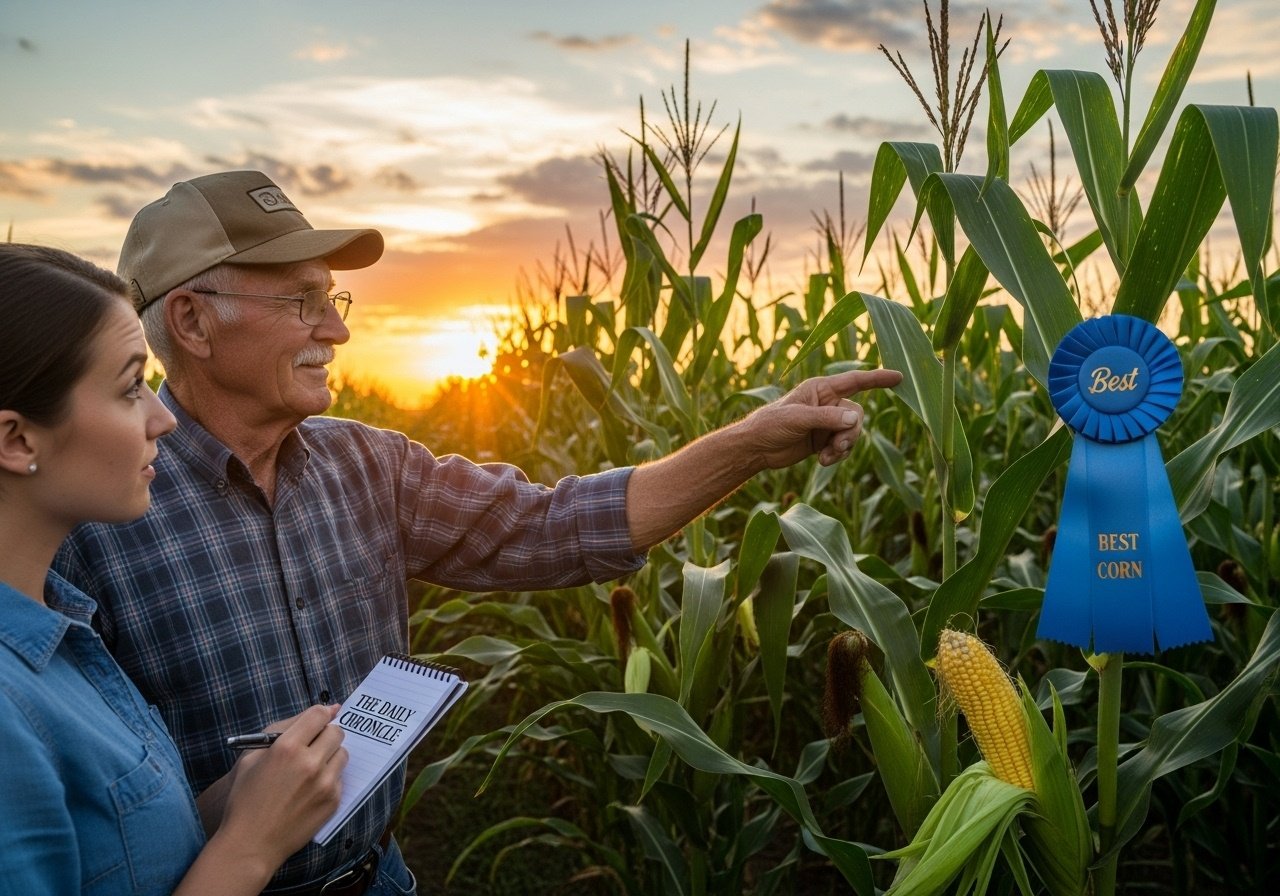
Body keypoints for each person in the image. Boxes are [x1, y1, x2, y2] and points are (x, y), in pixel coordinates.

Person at [54, 170, 904, 895]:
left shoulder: (369, 466)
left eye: (333, 299)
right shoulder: (89, 516)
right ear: (195, 324)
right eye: (302, 303)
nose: (337, 331)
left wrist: (750, 445)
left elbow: (560, 526)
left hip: (379, 876)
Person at [0, 243, 349, 895]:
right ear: (18, 441)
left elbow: (112, 851)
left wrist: (241, 796)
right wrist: (251, 846)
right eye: (132, 386)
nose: (161, 417)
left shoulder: (62, 631)